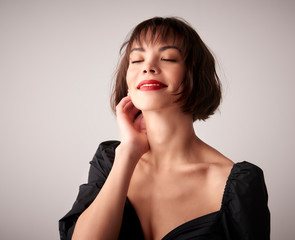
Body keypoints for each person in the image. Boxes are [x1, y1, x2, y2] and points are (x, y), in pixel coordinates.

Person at [59, 17, 270, 240]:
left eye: (168, 58)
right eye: (137, 60)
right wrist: (128, 154)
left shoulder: (237, 184)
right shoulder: (110, 161)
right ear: (127, 81)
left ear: (195, 75)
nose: (148, 67)